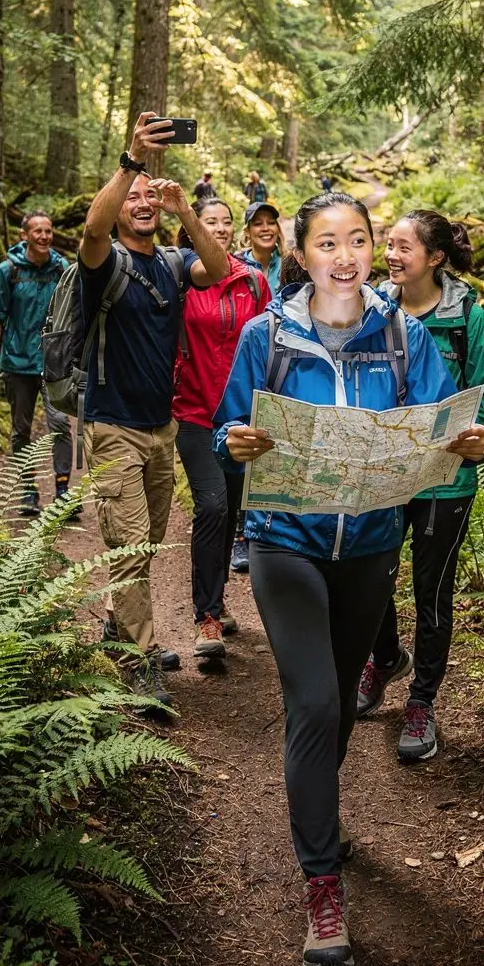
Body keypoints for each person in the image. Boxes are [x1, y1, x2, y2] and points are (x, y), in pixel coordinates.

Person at [212, 192, 484, 966]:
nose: (345, 254)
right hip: (283, 543)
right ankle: (323, 886)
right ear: (300, 254)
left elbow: (441, 425)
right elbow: (223, 429)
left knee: (336, 696)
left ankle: (318, 811)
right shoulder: (266, 335)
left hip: (371, 544)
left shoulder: (403, 336)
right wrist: (234, 442)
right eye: (327, 241)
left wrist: (467, 444)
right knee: (315, 700)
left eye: (359, 240)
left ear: (373, 251)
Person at [79, 113, 229, 709]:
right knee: (131, 540)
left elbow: (218, 269)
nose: (141, 203)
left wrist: (186, 212)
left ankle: (120, 632)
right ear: (120, 205)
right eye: (132, 197)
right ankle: (140, 662)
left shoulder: (170, 264)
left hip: (162, 429)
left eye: (149, 198)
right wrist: (132, 161)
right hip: (112, 425)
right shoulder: (104, 263)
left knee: (146, 545)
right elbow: (92, 227)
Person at [357, 209, 484, 762]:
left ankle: (422, 702)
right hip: (387, 473)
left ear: (434, 258)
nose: (390, 255)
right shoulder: (373, 309)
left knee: (431, 591)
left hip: (446, 479)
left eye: (402, 248)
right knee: (372, 577)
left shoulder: (467, 317)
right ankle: (386, 656)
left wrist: (467, 433)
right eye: (387, 245)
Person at [173, 198, 271, 662]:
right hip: (193, 412)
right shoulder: (182, 279)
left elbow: (275, 343)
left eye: (225, 223)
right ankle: (207, 617)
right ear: (191, 229)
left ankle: (219, 600)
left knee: (231, 510)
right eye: (209, 222)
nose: (220, 229)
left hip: (241, 419)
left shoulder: (254, 280)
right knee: (212, 506)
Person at [0, 209, 74, 515]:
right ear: (25, 236)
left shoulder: (62, 268)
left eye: (48, 231)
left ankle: (62, 490)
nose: (45, 236)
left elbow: (72, 311)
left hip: (54, 363)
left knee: (60, 423)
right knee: (21, 430)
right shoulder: (7, 271)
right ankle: (28, 490)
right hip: (17, 361)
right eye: (38, 231)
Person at [230, 200, 286, 571]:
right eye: (258, 223)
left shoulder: (290, 265)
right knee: (244, 439)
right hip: (246, 358)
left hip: (283, 362)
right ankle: (240, 534)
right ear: (247, 231)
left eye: (271, 223)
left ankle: (267, 525)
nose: (265, 228)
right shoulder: (237, 266)